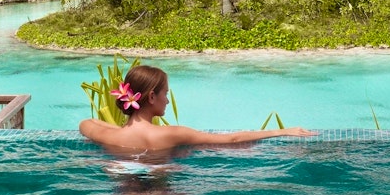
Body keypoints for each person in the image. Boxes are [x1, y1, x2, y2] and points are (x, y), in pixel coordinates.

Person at [79, 64, 317, 152]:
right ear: (151, 97)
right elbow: (232, 140)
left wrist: (122, 129)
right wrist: (282, 131)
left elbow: (86, 124)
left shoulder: (109, 136)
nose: (167, 100)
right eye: (165, 94)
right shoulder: (172, 134)